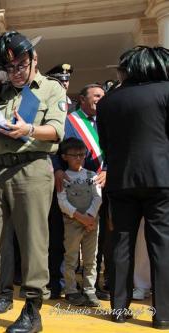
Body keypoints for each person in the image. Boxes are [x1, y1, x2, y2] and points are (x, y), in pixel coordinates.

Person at [0, 31, 67, 333]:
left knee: (33, 242)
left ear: (35, 60)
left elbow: (57, 131)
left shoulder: (51, 88)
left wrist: (29, 129)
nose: (16, 72)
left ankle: (32, 311)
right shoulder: (1, 91)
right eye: (11, 68)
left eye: (21, 65)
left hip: (31, 169)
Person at [96, 45, 169, 328]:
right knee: (162, 246)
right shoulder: (165, 90)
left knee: (121, 245)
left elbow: (105, 143)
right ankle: (163, 314)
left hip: (121, 179)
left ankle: (118, 310)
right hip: (161, 178)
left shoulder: (108, 101)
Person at [52, 83, 109, 300]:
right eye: (96, 96)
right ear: (83, 99)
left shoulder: (108, 119)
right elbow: (56, 148)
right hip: (72, 190)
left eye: (103, 96)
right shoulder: (70, 121)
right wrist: (57, 169)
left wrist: (107, 170)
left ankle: (93, 286)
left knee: (96, 248)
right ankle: (68, 287)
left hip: (100, 189)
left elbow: (113, 148)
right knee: (69, 250)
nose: (100, 99)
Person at [57, 137, 102, 307]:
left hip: (92, 223)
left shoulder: (92, 175)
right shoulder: (64, 177)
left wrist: (90, 217)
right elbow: (62, 202)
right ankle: (70, 290)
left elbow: (98, 198)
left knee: (91, 258)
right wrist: (81, 217)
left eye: (82, 155)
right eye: (74, 155)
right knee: (71, 257)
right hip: (72, 222)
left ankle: (90, 290)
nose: (79, 158)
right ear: (64, 157)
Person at [45, 63, 74, 299]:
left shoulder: (73, 111)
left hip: (78, 181)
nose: (64, 84)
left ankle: (73, 283)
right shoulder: (48, 106)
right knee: (54, 234)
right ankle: (55, 282)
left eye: (66, 81)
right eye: (59, 80)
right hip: (54, 179)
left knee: (75, 235)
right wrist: (56, 169)